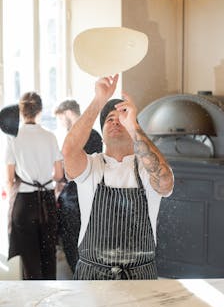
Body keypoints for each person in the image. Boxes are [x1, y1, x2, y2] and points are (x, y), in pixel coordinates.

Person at [62, 74, 174, 280]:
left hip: (140, 279)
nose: (115, 123)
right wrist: (98, 101)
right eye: (109, 120)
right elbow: (68, 151)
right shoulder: (91, 166)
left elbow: (165, 182)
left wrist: (133, 126)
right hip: (92, 278)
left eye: (121, 119)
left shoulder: (146, 169)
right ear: (102, 133)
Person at [5, 92, 64, 280]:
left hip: (24, 202)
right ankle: (51, 305)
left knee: (30, 261)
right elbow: (59, 175)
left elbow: (9, 179)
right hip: (46, 201)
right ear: (40, 110)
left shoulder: (14, 138)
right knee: (49, 258)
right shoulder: (50, 137)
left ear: (21, 112)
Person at [54, 99, 102, 273]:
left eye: (60, 119)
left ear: (67, 113)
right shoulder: (96, 134)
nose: (60, 124)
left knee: (73, 246)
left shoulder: (74, 138)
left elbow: (67, 172)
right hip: (92, 200)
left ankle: (79, 279)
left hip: (74, 203)